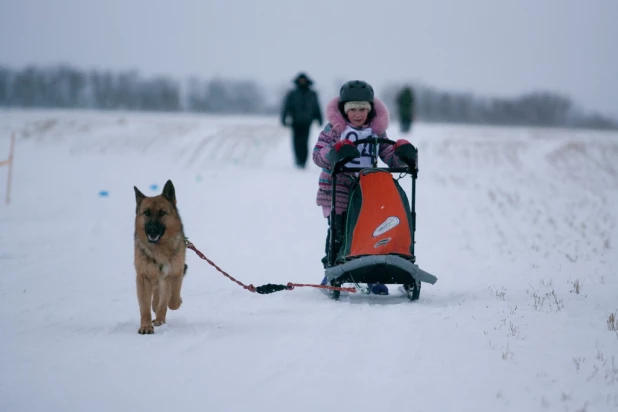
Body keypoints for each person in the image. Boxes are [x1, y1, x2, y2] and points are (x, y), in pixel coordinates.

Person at [312, 80, 414, 295]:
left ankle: (372, 275)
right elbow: (318, 154)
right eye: (353, 110)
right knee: (339, 233)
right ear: (344, 110)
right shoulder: (334, 130)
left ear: (370, 110)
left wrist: (402, 158)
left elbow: (387, 154)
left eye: (362, 109)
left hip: (367, 191)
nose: (358, 114)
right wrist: (334, 153)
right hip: (337, 190)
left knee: (370, 232)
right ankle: (332, 269)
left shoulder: (375, 132)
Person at [280, 73, 323, 169]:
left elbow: (316, 107)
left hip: (307, 122)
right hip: (295, 122)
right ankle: (298, 160)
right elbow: (286, 107)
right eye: (300, 80)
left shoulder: (312, 94)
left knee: (305, 142)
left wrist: (319, 119)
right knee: (296, 142)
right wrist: (283, 119)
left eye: (304, 80)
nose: (302, 82)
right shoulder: (292, 93)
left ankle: (303, 161)